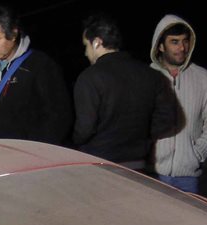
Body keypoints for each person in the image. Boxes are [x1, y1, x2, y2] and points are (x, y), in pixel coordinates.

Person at [71, 14, 178, 170]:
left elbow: (84, 129)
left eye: (86, 45)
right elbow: (168, 120)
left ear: (96, 42)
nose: (85, 53)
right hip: (137, 165)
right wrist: (143, 136)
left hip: (99, 166)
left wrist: (74, 141)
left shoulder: (89, 77)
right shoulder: (151, 75)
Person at [0, 5, 71, 144]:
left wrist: (37, 147)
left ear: (13, 34)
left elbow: (59, 115)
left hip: (30, 151)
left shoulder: (40, 65)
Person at [148, 15, 207, 192]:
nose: (182, 47)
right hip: (152, 174)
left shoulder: (202, 77)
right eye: (174, 42)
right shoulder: (146, 76)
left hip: (188, 176)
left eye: (185, 41)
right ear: (160, 45)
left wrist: (199, 151)